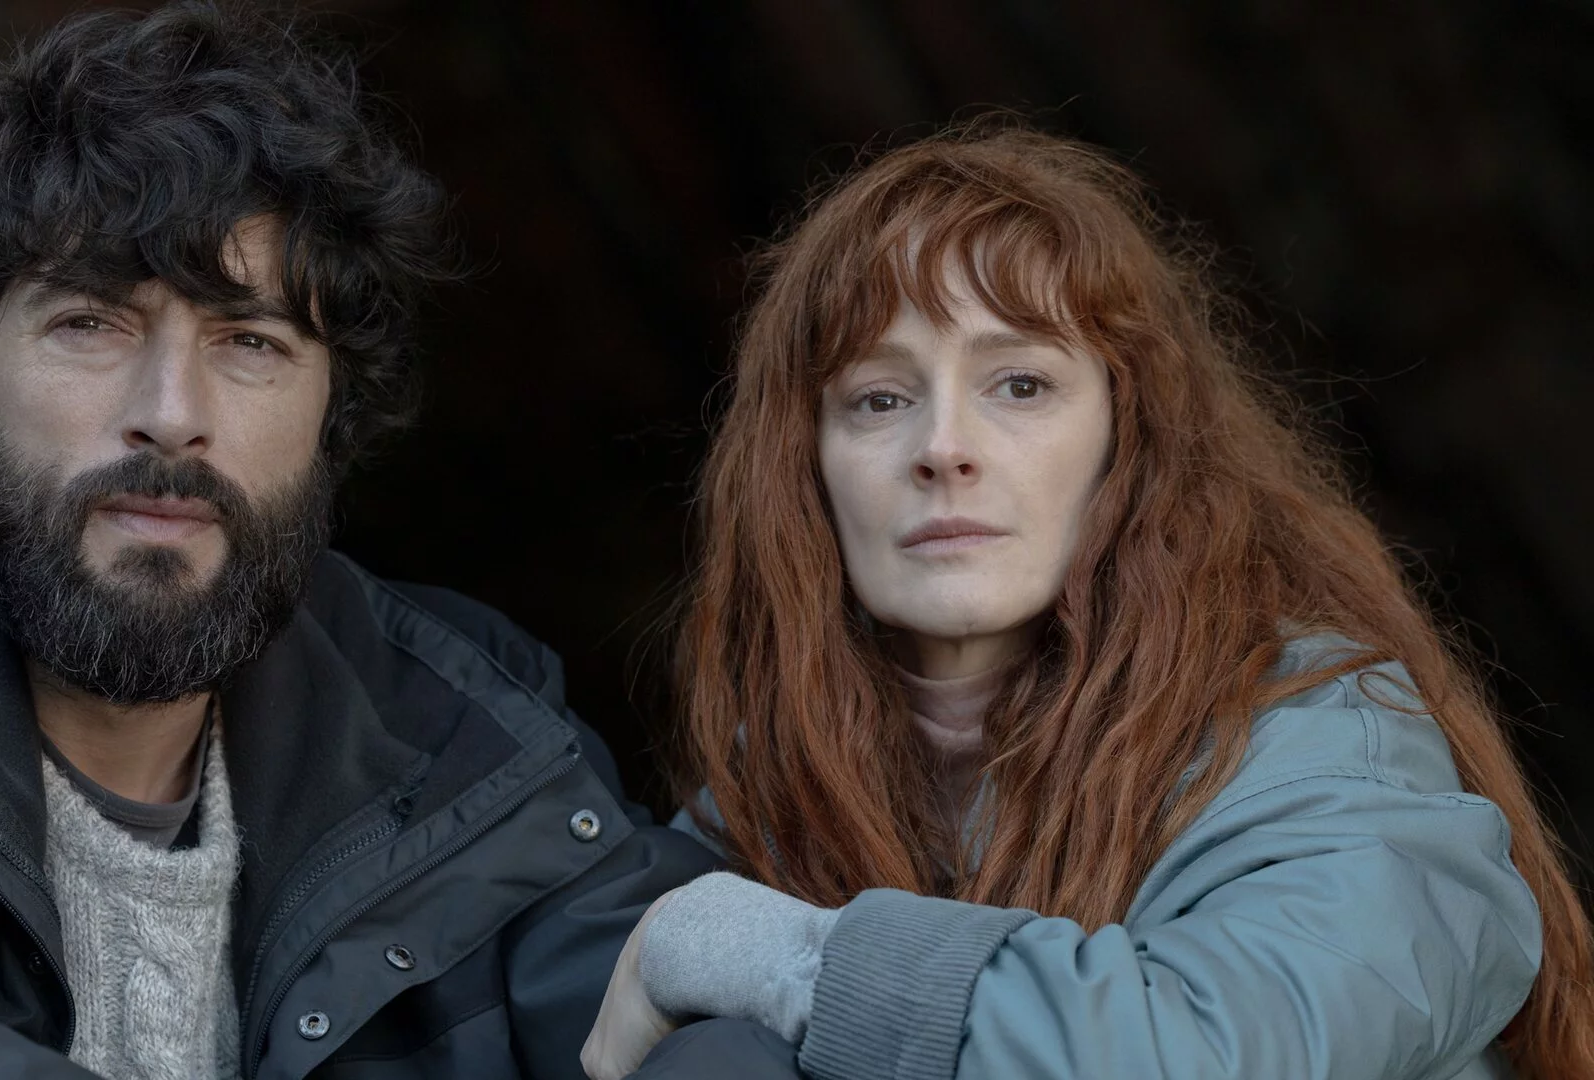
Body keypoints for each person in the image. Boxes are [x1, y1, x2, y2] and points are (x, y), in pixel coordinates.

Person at [0, 5, 718, 1078]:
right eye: (90, 323)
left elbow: (696, 1029)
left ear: (329, 426)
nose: (171, 415)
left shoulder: (470, 745)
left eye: (250, 342)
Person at [581, 126, 1594, 1079]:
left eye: (1019, 384)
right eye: (879, 399)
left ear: (1129, 440)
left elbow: (1205, 1056)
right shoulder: (775, 787)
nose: (942, 446)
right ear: (806, 470)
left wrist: (788, 960)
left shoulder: (1326, 738)